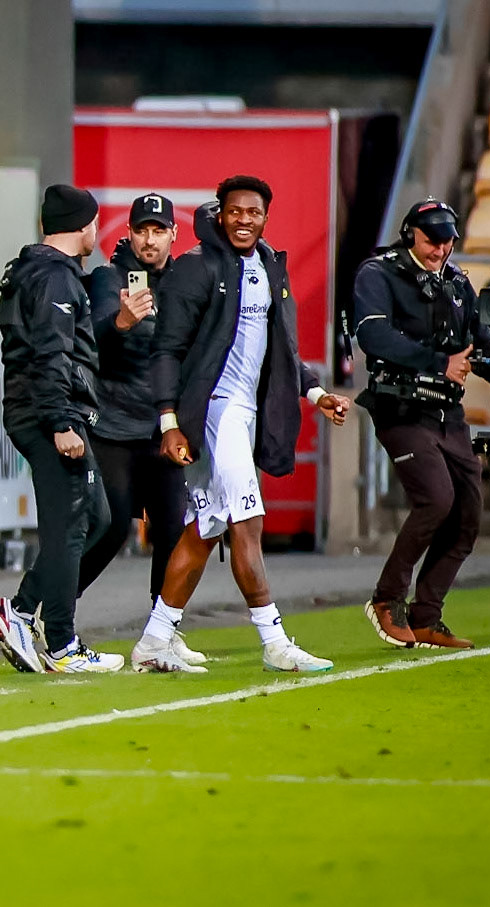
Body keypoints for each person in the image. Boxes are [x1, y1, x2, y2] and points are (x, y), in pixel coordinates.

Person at [132, 177, 353, 675]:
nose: (244, 220)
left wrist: (316, 393)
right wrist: (169, 421)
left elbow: (281, 350)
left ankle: (153, 640)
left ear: (265, 217)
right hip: (214, 412)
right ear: (220, 213)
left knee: (205, 530)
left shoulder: (271, 267)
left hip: (244, 415)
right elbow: (165, 349)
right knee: (247, 523)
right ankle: (275, 641)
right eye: (235, 212)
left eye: (253, 212)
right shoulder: (195, 268)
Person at [352, 199, 490, 650]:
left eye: (448, 241)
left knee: (467, 515)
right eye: (433, 240)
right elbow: (373, 334)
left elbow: (478, 334)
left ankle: (427, 616)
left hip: (448, 412)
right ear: (411, 233)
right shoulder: (378, 272)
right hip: (401, 407)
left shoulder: (455, 280)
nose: (441, 250)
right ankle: (387, 599)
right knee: (436, 500)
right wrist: (437, 362)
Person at [0, 184, 121, 675]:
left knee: (99, 518)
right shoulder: (56, 280)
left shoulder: (36, 270)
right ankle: (61, 644)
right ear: (83, 225)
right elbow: (51, 354)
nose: (96, 233)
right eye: (94, 223)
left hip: (43, 410)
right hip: (49, 414)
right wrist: (62, 420)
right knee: (72, 526)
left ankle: (19, 612)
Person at [79, 193, 198, 660]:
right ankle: (53, 612)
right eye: (141, 230)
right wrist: (122, 322)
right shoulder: (109, 278)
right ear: (128, 233)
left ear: (173, 234)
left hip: (163, 427)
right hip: (113, 425)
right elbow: (94, 338)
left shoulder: (185, 282)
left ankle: (161, 632)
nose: (148, 239)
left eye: (157, 230)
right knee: (110, 528)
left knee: (172, 528)